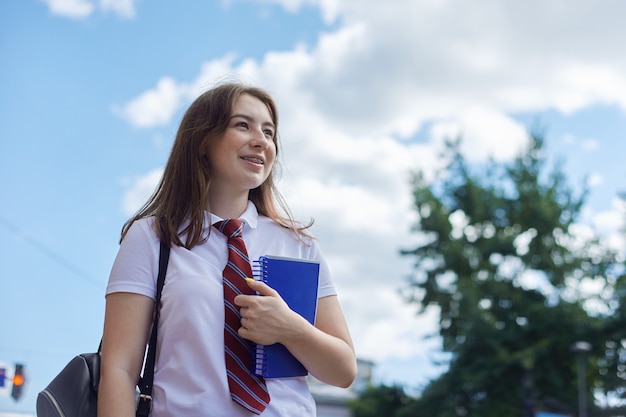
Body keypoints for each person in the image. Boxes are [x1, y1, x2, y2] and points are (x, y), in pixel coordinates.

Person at [98, 82, 357, 417]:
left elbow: (343, 371)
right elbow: (119, 370)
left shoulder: (298, 244)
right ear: (203, 141)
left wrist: (290, 329)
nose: (261, 140)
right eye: (242, 125)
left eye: (268, 131)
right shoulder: (152, 237)